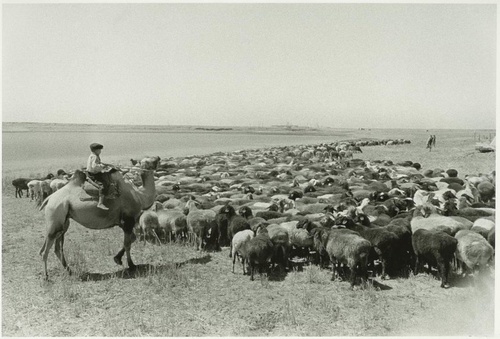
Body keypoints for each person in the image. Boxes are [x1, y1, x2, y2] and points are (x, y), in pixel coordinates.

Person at [86, 143, 111, 210]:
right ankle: (100, 203)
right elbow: (94, 166)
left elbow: (98, 163)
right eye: (99, 150)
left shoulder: (93, 155)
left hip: (94, 173)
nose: (100, 151)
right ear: (95, 150)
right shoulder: (94, 156)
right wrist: (103, 166)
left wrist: (105, 164)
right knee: (102, 185)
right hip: (94, 175)